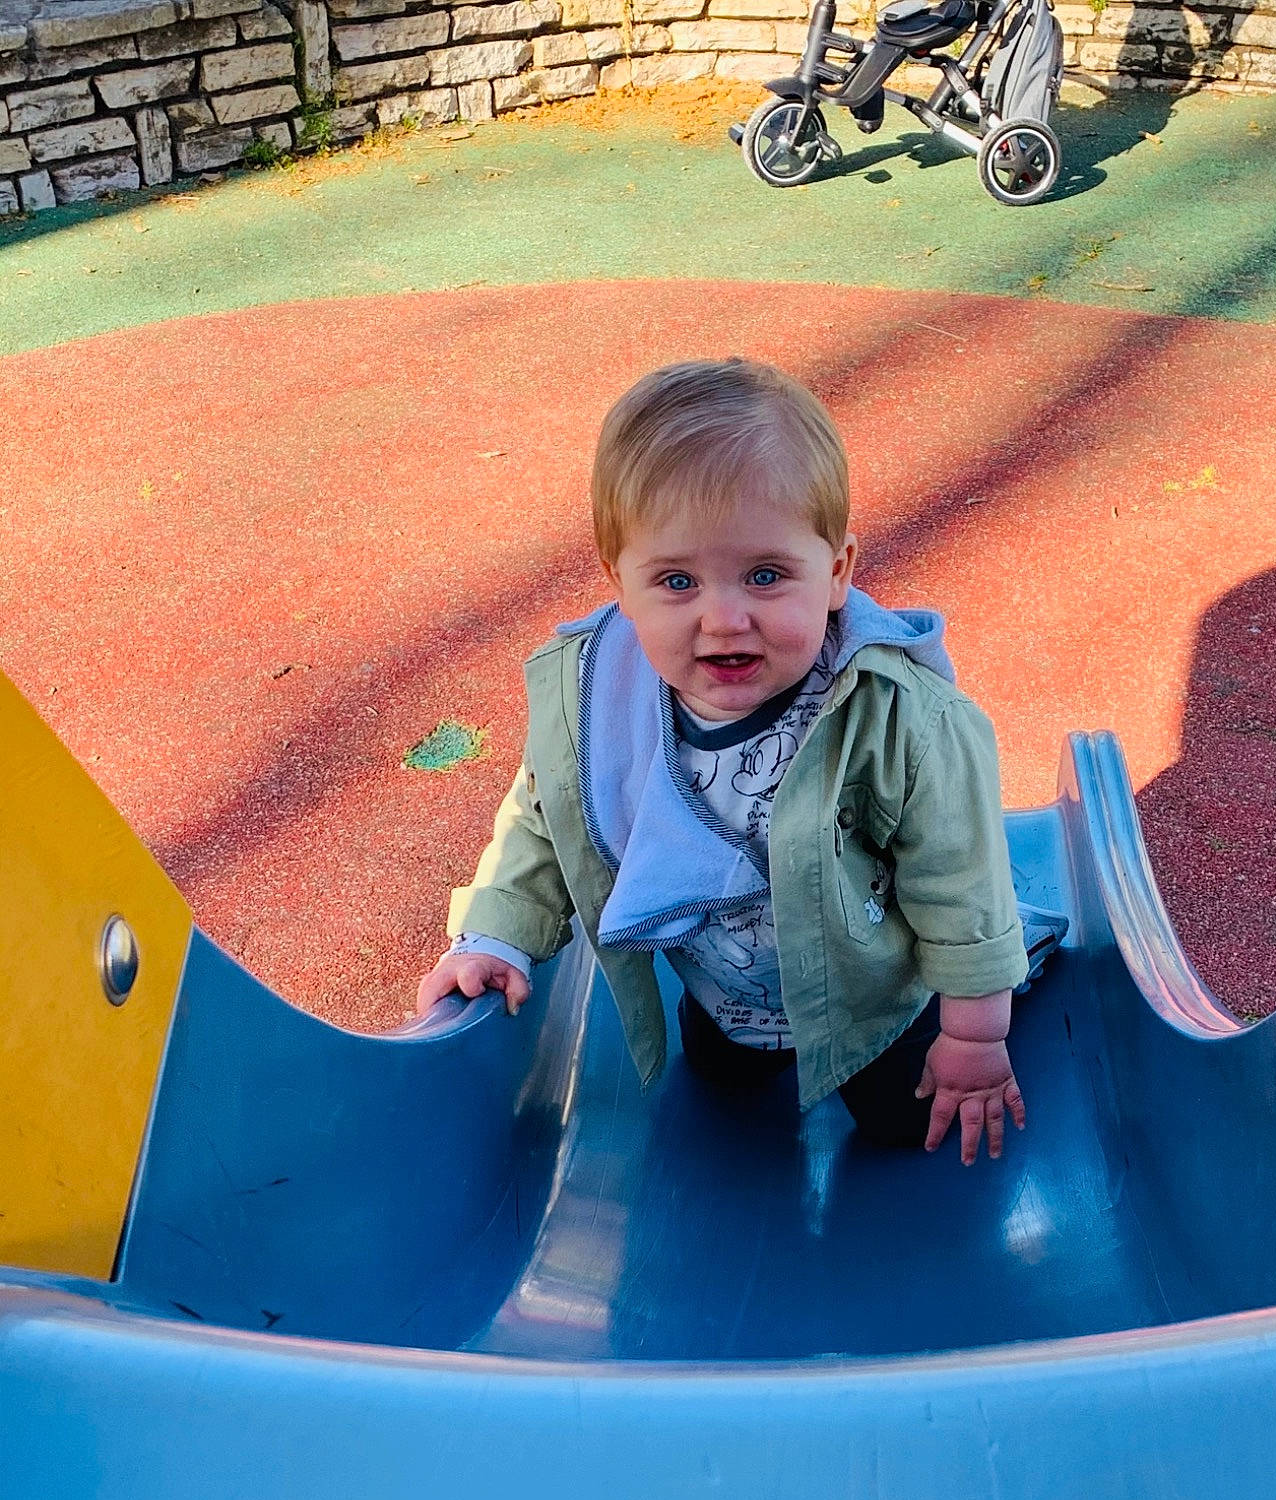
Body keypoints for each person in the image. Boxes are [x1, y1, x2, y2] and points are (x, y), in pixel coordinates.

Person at [416, 357, 1052, 1165]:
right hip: (728, 996)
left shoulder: (895, 718)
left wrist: (974, 1033)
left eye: (765, 575)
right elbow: (546, 820)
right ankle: (746, 1042)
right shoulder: (603, 703)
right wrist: (495, 937)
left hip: (873, 996)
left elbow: (958, 875)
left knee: (901, 1127)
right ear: (619, 584)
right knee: (723, 1092)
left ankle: (1016, 963)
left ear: (837, 571)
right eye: (677, 580)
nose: (724, 619)